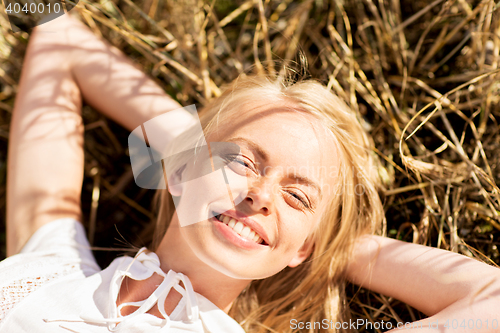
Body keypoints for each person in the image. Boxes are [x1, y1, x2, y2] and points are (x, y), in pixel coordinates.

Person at [1, 13, 499, 333]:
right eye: (243, 161)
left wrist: (325, 241)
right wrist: (192, 156)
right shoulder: (46, 269)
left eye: (297, 196)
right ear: (177, 171)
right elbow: (58, 39)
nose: (262, 194)